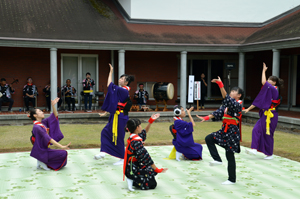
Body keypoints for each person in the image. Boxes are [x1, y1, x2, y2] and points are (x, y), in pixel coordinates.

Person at [197, 76, 244, 185]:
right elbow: (217, 113)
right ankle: (217, 159)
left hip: (232, 132)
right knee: (209, 138)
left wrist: (220, 85)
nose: (231, 92)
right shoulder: (227, 105)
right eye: (231, 91)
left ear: (239, 95)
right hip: (225, 130)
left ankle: (232, 179)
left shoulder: (238, 104)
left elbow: (227, 99)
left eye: (234, 91)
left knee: (229, 155)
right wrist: (206, 118)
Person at [94, 63, 134, 165]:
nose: (120, 80)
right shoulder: (121, 91)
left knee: (119, 137)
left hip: (121, 117)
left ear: (126, 82)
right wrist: (106, 112)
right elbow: (115, 102)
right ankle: (103, 152)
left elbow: (109, 85)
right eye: (120, 78)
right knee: (105, 132)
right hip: (115, 115)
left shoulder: (124, 90)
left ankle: (122, 158)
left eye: (122, 79)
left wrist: (111, 71)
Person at [243, 62, 283, 160]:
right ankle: (254, 148)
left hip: (272, 115)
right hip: (265, 115)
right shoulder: (268, 90)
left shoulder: (274, 89)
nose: (268, 81)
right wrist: (248, 108)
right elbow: (260, 101)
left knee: (268, 134)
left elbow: (263, 83)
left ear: (274, 83)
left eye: (270, 80)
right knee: (256, 129)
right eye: (268, 79)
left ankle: (269, 154)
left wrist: (264, 71)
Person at [123, 115, 168, 191]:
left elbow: (144, 132)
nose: (141, 127)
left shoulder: (133, 137)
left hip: (133, 165)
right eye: (140, 125)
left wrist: (150, 122)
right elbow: (146, 158)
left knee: (150, 171)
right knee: (151, 184)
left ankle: (133, 179)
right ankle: (131, 178)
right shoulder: (136, 142)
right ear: (137, 128)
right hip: (132, 168)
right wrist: (157, 169)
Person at [29, 97, 71, 171]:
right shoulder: (37, 127)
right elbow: (49, 139)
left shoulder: (42, 123)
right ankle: (42, 159)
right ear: (35, 115)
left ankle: (41, 160)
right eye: (39, 111)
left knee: (63, 155)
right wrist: (61, 146)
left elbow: (55, 116)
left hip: (44, 149)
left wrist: (53, 106)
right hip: (42, 151)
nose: (42, 112)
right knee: (63, 153)